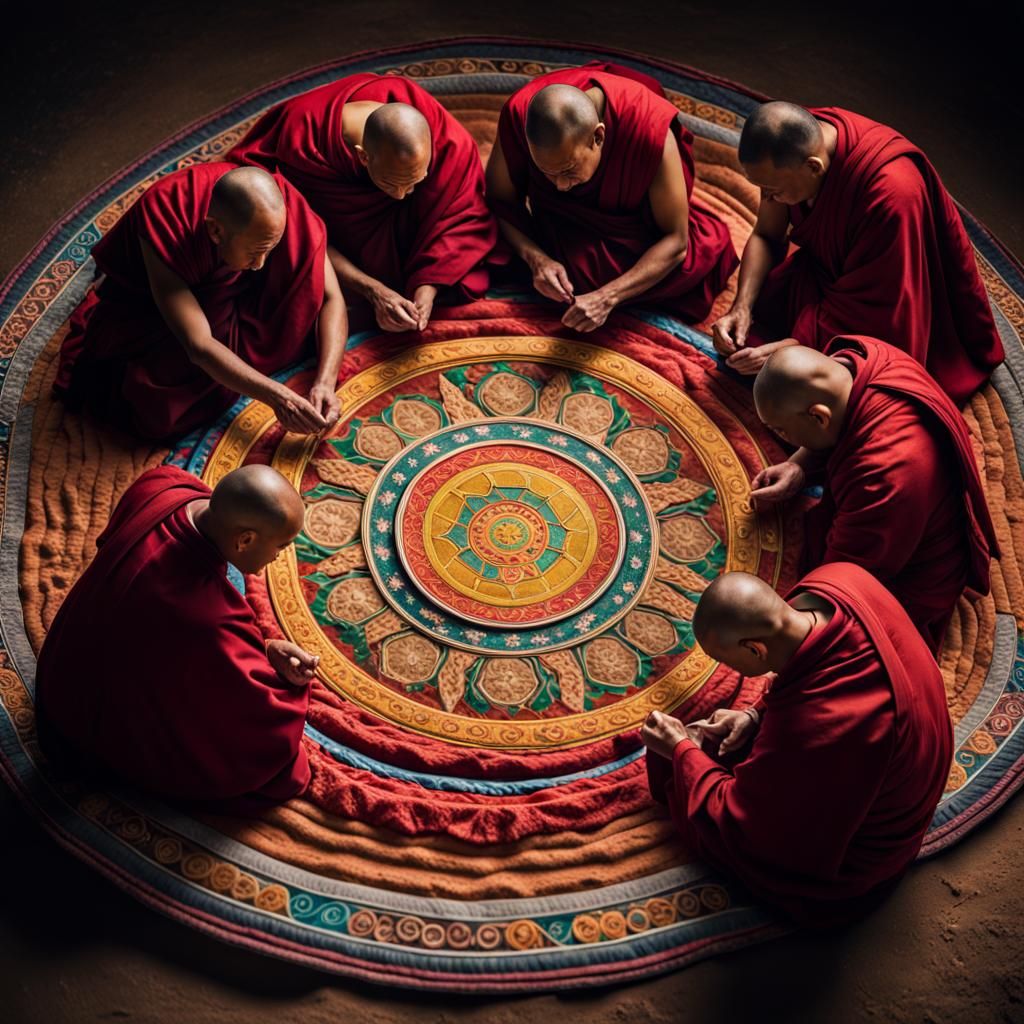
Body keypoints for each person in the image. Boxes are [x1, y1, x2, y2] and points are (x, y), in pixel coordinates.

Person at [643, 565, 953, 926]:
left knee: (700, 804)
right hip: (909, 747)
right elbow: (809, 680)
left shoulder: (821, 725)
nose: (733, 672)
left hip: (867, 854)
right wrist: (754, 716)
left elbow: (752, 834)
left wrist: (682, 751)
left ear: (755, 649)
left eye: (728, 662)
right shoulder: (840, 579)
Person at [36, 464, 319, 812]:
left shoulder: (164, 485)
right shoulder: (206, 615)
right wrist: (276, 667)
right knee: (281, 767)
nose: (280, 557)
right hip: (80, 724)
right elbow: (261, 720)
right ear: (244, 540)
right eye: (281, 546)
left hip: (62, 666)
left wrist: (263, 646)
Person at [711, 101, 1003, 404]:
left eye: (773, 191)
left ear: (814, 166)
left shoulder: (891, 195)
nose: (769, 198)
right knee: (749, 345)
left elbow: (888, 314)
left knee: (820, 396)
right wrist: (741, 306)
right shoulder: (790, 150)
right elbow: (766, 235)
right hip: (828, 276)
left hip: (892, 303)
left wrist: (796, 347)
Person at [55, 163, 345, 440]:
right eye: (255, 252)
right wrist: (278, 397)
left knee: (301, 307)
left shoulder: (278, 206)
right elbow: (199, 346)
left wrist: (325, 382)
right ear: (215, 230)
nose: (260, 264)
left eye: (270, 249)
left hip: (233, 298)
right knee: (156, 403)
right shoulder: (165, 220)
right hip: (175, 311)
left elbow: (330, 296)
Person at [749, 337, 996, 652]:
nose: (780, 438)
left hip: (917, 568)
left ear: (819, 416)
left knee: (829, 634)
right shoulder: (864, 358)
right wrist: (798, 465)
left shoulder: (884, 473)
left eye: (781, 431)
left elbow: (846, 580)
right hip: (895, 510)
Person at [229, 74, 496, 332]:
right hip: (346, 239)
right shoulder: (305, 142)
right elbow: (305, 235)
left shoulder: (421, 112)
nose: (401, 196)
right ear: (363, 157)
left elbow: (462, 206)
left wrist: (428, 286)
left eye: (415, 181)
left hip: (388, 232)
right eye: (391, 184)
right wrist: (373, 290)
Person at [486, 63, 738, 331]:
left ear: (598, 136)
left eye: (568, 170)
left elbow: (676, 241)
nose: (559, 185)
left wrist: (606, 298)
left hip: (630, 222)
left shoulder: (649, 131)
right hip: (559, 220)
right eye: (546, 172)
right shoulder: (519, 115)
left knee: (697, 260)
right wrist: (536, 258)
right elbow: (499, 201)